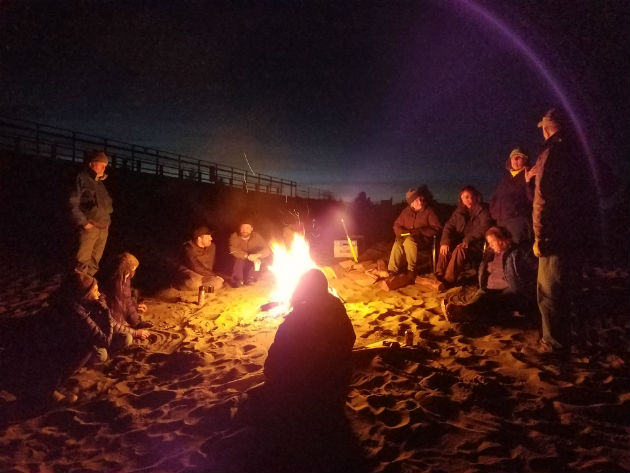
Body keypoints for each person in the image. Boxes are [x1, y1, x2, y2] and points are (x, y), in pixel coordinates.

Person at [532, 108, 597, 352]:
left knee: (549, 290)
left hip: (556, 233)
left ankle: (553, 344)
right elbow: (609, 184)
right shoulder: (582, 152)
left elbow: (542, 199)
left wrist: (539, 236)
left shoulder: (551, 152)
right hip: (580, 231)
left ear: (547, 128)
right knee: (572, 285)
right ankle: (576, 336)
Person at [0, 272, 114, 404]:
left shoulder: (64, 302)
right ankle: (44, 392)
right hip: (44, 351)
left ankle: (41, 386)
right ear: (84, 294)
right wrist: (106, 313)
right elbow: (105, 341)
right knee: (87, 347)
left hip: (38, 342)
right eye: (95, 291)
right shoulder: (77, 314)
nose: (99, 294)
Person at [263, 268, 356, 416]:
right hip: (337, 386)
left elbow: (275, 357)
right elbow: (350, 337)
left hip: (309, 390)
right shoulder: (336, 305)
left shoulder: (298, 317)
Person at [441, 226, 538, 323]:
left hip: (507, 291)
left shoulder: (517, 253)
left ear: (501, 240)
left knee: (488, 302)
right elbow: (483, 272)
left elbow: (533, 269)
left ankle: (461, 313)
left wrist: (527, 290)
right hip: (488, 289)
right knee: (480, 298)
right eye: (489, 242)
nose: (490, 245)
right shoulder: (489, 253)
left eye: (492, 242)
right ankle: (462, 312)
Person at [436, 185, 492, 287]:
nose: (470, 199)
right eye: (466, 197)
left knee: (459, 250)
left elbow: (484, 227)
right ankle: (439, 275)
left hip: (475, 244)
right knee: (445, 248)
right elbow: (448, 226)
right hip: (461, 242)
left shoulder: (483, 210)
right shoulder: (459, 212)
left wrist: (468, 239)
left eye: (472, 196)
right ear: (461, 199)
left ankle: (448, 280)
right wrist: (445, 241)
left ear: (476, 197)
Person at [69, 150, 114, 276]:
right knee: (82, 262)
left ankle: (88, 286)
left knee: (95, 261)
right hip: (90, 227)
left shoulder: (99, 183)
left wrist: (107, 222)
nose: (104, 167)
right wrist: (83, 222)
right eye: (101, 164)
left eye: (105, 165)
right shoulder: (82, 178)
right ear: (91, 164)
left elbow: (105, 206)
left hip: (103, 227)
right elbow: (73, 203)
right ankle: (78, 288)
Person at [387, 186, 442, 280]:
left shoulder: (428, 211)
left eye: (420, 199)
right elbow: (396, 225)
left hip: (423, 240)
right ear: (411, 203)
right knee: (397, 243)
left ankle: (412, 270)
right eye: (416, 200)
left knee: (409, 241)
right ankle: (392, 270)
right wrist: (401, 232)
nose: (420, 202)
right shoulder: (406, 212)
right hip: (407, 237)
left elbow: (437, 228)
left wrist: (421, 231)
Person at [489, 147, 536, 244]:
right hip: (501, 221)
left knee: (516, 250)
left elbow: (533, 199)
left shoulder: (531, 174)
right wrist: (494, 213)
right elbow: (495, 197)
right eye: (513, 157)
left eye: (519, 157)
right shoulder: (506, 178)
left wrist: (528, 182)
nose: (515, 160)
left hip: (518, 221)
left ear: (526, 160)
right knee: (503, 250)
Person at [102, 252, 153, 329]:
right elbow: (116, 304)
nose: (132, 272)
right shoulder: (111, 282)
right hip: (110, 322)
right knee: (127, 338)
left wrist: (136, 322)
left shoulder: (126, 279)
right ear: (123, 268)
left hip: (119, 320)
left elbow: (126, 300)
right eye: (132, 269)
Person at [177, 226, 224, 291]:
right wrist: (214, 275)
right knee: (195, 283)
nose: (211, 238)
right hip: (191, 272)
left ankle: (200, 289)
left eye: (210, 236)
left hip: (204, 275)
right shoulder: (189, 248)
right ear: (199, 239)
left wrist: (215, 276)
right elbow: (195, 266)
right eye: (208, 237)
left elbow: (211, 265)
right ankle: (179, 286)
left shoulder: (212, 247)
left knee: (218, 283)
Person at [228, 220, 271, 287]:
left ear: (251, 229)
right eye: (242, 228)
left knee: (258, 261)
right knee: (239, 260)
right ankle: (238, 281)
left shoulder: (257, 236)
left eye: (247, 228)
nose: (244, 230)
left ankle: (250, 280)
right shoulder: (235, 236)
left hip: (253, 260)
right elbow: (233, 250)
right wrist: (247, 256)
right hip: (241, 261)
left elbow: (267, 249)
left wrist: (257, 255)